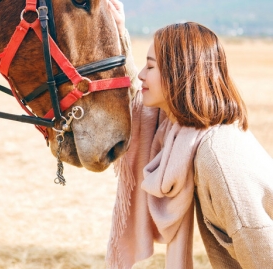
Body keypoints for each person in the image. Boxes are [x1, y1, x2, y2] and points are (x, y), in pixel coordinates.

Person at [106, 0, 273, 268]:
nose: (141, 76)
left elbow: (263, 254)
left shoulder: (217, 157)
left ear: (177, 74)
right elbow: (134, 104)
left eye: (150, 66)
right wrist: (118, 33)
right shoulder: (184, 131)